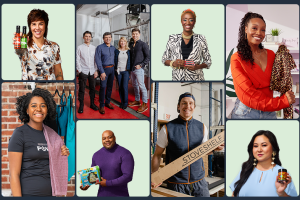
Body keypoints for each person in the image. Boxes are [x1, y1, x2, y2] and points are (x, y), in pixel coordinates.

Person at [151, 92, 224, 197]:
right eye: (184, 103)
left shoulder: (202, 127)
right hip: (177, 184)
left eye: (191, 103)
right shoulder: (167, 128)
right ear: (178, 106)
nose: (187, 106)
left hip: (200, 183)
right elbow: (157, 154)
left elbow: (204, 151)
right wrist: (155, 175)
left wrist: (214, 149)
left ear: (194, 107)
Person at [230, 12, 295, 119]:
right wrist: (281, 102)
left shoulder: (271, 55)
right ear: (246, 29)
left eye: (263, 30)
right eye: (254, 28)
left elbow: (278, 82)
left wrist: (283, 58)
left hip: (269, 111)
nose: (259, 33)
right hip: (246, 112)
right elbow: (249, 95)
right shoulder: (237, 58)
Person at [8, 88, 70, 197]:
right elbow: (14, 174)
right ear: (27, 110)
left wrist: (63, 153)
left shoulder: (52, 135)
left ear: (47, 109)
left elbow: (57, 160)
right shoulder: (20, 134)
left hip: (52, 194)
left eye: (43, 105)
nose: (39, 109)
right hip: (29, 194)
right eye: (33, 106)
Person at [230, 130, 297, 197]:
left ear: (273, 149)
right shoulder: (246, 169)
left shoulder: (282, 173)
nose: (259, 150)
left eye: (264, 145)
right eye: (255, 146)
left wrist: (281, 193)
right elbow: (234, 195)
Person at [80, 130, 134, 197]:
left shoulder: (125, 153)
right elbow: (93, 177)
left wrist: (107, 183)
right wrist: (86, 185)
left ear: (114, 138)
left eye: (109, 137)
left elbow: (127, 177)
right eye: (104, 138)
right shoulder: (96, 155)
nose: (107, 140)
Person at [162, 9, 212, 81]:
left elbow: (208, 61)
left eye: (191, 20)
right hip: (177, 79)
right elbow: (164, 59)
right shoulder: (172, 38)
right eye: (185, 20)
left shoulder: (201, 38)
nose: (187, 23)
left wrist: (197, 67)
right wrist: (173, 63)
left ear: (194, 22)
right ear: (181, 21)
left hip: (196, 79)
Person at [13, 9, 63, 80]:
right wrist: (18, 45)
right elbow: (19, 52)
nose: (37, 28)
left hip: (50, 89)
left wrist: (61, 89)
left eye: (41, 24)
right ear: (30, 26)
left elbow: (58, 72)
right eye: (34, 24)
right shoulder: (24, 44)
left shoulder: (54, 46)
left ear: (45, 25)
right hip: (29, 90)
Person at [128, 28, 150, 113]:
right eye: (133, 34)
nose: (135, 35)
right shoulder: (132, 45)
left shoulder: (143, 44)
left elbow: (148, 57)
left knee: (142, 86)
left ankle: (145, 104)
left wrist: (141, 65)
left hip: (139, 69)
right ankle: (137, 100)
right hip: (132, 69)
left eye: (136, 34)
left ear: (139, 34)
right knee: (135, 85)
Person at [76, 31, 99, 113]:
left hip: (92, 71)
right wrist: (80, 70)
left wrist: (96, 70)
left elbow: (96, 60)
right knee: (82, 89)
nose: (88, 38)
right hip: (84, 71)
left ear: (91, 38)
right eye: (86, 36)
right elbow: (77, 60)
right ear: (83, 37)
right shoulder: (79, 47)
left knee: (93, 89)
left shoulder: (94, 48)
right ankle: (81, 105)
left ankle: (92, 104)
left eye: (89, 36)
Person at [95, 32, 116, 114]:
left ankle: (107, 102)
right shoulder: (99, 47)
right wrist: (102, 72)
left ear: (111, 38)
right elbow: (98, 60)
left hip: (112, 69)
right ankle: (102, 105)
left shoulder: (113, 48)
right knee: (103, 87)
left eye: (109, 37)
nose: (108, 39)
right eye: (106, 37)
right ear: (103, 39)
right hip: (104, 70)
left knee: (110, 87)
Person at [114, 37, 131, 109]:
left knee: (124, 87)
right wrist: (115, 69)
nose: (122, 42)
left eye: (124, 41)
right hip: (118, 72)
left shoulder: (129, 51)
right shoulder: (117, 51)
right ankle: (122, 102)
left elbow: (130, 61)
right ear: (119, 43)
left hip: (126, 71)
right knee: (120, 87)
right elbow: (115, 60)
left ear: (126, 42)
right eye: (121, 41)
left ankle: (125, 103)